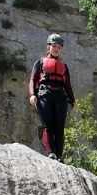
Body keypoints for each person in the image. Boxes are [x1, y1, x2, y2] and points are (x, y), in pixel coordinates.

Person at [28, 33, 76, 161]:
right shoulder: (40, 62)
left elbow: (67, 85)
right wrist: (32, 94)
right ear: (48, 47)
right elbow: (33, 79)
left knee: (59, 127)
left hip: (60, 97)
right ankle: (50, 152)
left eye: (59, 47)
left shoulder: (64, 66)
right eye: (54, 46)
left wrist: (72, 101)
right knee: (47, 124)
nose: (56, 49)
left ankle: (59, 155)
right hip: (45, 95)